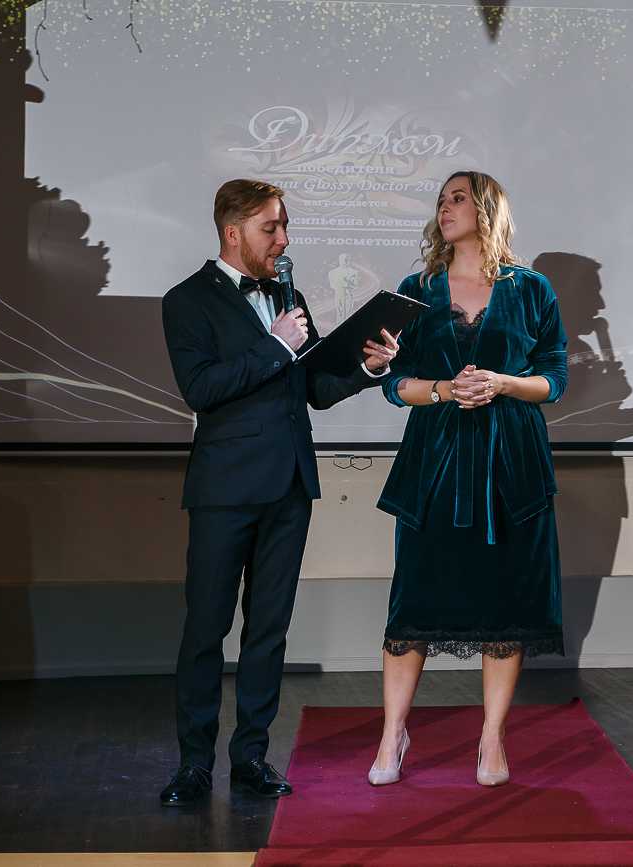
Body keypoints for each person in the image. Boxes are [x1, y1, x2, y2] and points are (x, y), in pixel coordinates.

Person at [159, 179, 398, 805]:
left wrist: (367, 369)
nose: (284, 240)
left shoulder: (289, 298)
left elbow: (312, 389)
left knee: (268, 630)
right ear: (233, 231)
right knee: (206, 629)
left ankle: (251, 758)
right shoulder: (187, 300)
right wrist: (274, 346)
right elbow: (201, 389)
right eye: (272, 227)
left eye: (285, 226)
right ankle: (193, 765)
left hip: (289, 485)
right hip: (224, 490)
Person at [368, 171, 568, 787]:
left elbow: (555, 379)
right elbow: (393, 383)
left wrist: (503, 383)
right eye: (441, 200)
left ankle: (491, 739)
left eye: (457, 198)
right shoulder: (415, 291)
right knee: (413, 601)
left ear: (486, 209)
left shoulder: (532, 288)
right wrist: (443, 389)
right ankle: (393, 734)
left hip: (513, 464)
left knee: (504, 604)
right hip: (435, 463)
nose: (444, 208)